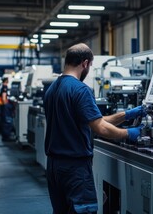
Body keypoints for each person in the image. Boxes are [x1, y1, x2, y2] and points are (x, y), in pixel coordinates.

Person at [44, 43, 146, 214]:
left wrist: (127, 115)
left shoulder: (52, 89)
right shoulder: (80, 89)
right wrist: (129, 133)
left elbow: (93, 120)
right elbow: (101, 128)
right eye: (90, 66)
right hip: (74, 168)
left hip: (54, 166)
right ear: (84, 63)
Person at [0, 77, 15, 141]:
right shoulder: (5, 87)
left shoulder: (3, 87)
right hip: (5, 106)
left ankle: (5, 136)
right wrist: (6, 104)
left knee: (5, 121)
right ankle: (6, 136)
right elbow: (4, 96)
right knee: (7, 121)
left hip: (3, 106)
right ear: (6, 80)